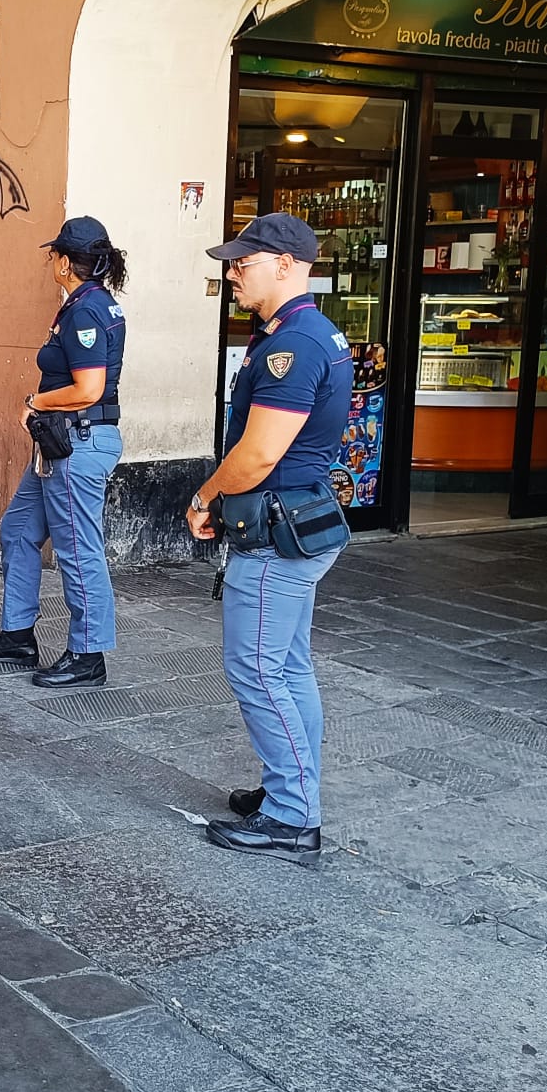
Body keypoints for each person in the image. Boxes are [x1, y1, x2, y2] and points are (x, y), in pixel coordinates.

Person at [185, 212, 352, 864]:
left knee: (256, 667)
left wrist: (204, 496)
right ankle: (292, 789)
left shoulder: (295, 345)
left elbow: (257, 455)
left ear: (286, 265)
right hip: (294, 520)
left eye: (242, 262)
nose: (231, 272)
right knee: (286, 666)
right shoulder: (296, 334)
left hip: (275, 528)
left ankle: (291, 815)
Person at [0, 216, 128, 687]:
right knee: (19, 529)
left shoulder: (87, 311)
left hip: (78, 443)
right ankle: (17, 634)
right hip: (59, 442)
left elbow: (89, 388)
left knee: (78, 550)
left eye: (53, 255)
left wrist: (35, 402)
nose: (50, 262)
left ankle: (88, 653)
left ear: (64, 261)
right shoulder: (84, 304)